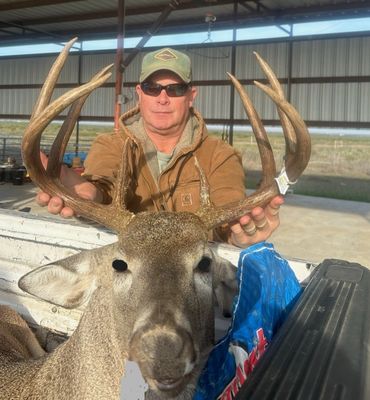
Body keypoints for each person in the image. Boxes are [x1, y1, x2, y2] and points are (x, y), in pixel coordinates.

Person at [36, 47, 284, 248]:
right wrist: (84, 191)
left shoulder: (220, 155)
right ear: (139, 93)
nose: (162, 98)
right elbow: (103, 188)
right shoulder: (111, 144)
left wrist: (240, 233)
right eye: (152, 88)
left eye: (175, 89)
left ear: (191, 96)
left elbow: (226, 214)